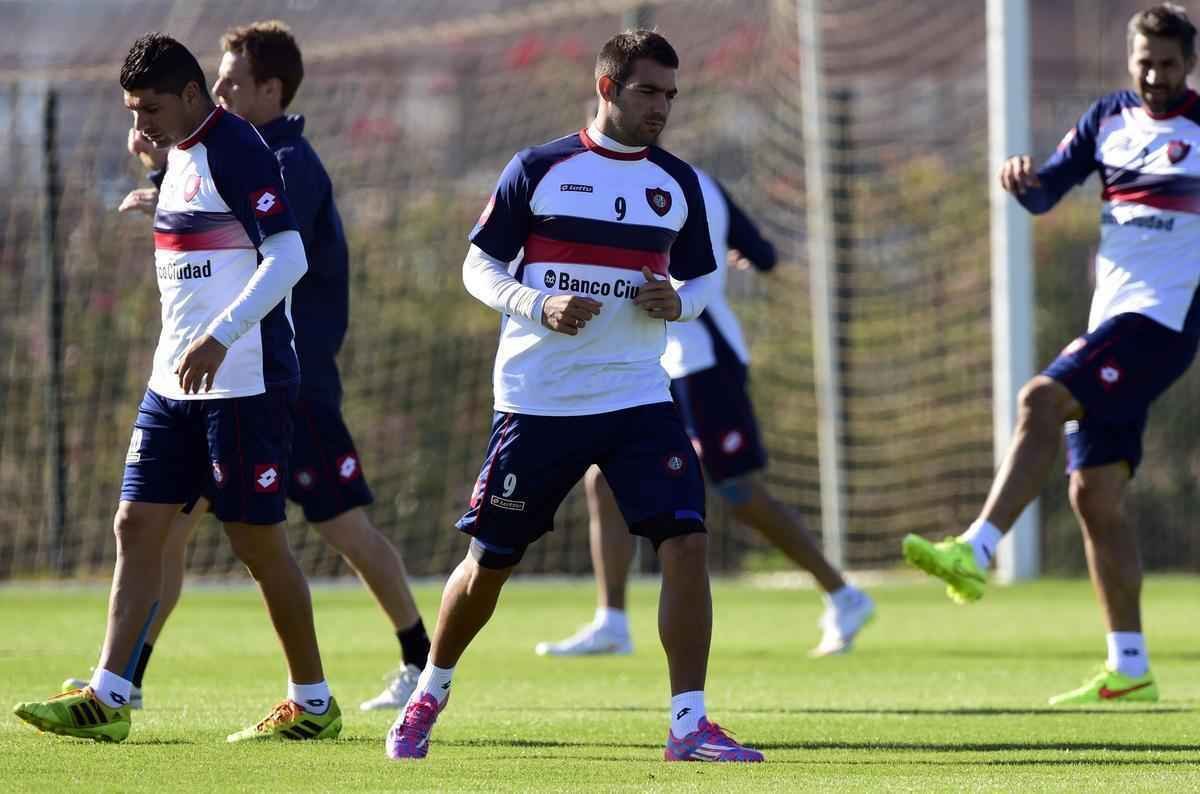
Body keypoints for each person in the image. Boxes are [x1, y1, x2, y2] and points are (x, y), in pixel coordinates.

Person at [385, 30, 763, 763]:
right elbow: (477, 267)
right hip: (540, 401)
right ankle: (428, 692)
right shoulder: (539, 169)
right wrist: (537, 304)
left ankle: (689, 724)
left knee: (687, 540)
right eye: (648, 92)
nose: (662, 108)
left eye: (671, 95)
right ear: (607, 88)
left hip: (638, 397)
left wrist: (679, 302)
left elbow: (703, 278)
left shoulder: (677, 182)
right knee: (490, 562)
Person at [65, 19, 430, 715]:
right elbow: (211, 222)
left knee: (324, 529)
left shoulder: (278, 157)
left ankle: (412, 659)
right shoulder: (200, 149)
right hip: (196, 380)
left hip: (280, 380)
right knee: (153, 528)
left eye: (233, 81)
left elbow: (275, 249)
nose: (223, 89)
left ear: (271, 89)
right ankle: (117, 684)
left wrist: (221, 332)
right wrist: (161, 180)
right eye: (219, 78)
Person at [13, 33, 341, 742]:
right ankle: (108, 696)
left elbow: (288, 256)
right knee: (135, 525)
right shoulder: (181, 153)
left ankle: (313, 703)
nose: (141, 125)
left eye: (151, 109)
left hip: (244, 383)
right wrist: (157, 183)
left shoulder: (239, 146)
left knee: (256, 542)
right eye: (132, 111)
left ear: (192, 95)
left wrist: (222, 335)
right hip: (173, 384)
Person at [902, 3, 1200, 705]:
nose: (1155, 76)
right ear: (1130, 61)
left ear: (1189, 65)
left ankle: (976, 548)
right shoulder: (1108, 119)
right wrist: (1022, 179)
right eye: (1145, 63)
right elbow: (1046, 195)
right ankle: (1130, 666)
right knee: (1093, 495)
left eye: (1168, 64)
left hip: (1163, 322)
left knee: (1039, 398)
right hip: (1113, 319)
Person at [535, 168, 875, 660]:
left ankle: (844, 596)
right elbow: (763, 254)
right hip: (654, 363)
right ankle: (612, 622)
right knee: (604, 479)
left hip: (705, 362)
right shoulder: (668, 181)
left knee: (736, 490)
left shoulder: (676, 184)